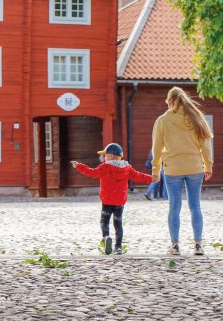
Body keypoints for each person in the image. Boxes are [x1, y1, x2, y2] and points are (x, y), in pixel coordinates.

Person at [151, 87, 213, 256]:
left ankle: (175, 246)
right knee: (195, 206)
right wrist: (208, 166)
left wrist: (156, 169)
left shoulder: (162, 120)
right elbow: (205, 145)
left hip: (173, 169)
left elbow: (157, 148)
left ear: (170, 101)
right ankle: (198, 245)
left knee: (174, 207)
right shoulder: (196, 117)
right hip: (195, 168)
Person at [71, 142, 153, 255]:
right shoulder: (127, 168)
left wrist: (78, 166)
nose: (104, 157)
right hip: (120, 201)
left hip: (107, 200)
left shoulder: (105, 167)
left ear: (111, 155)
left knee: (104, 221)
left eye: (105, 154)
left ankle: (106, 238)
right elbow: (139, 176)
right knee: (118, 223)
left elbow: (91, 172)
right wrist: (152, 178)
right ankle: (118, 247)